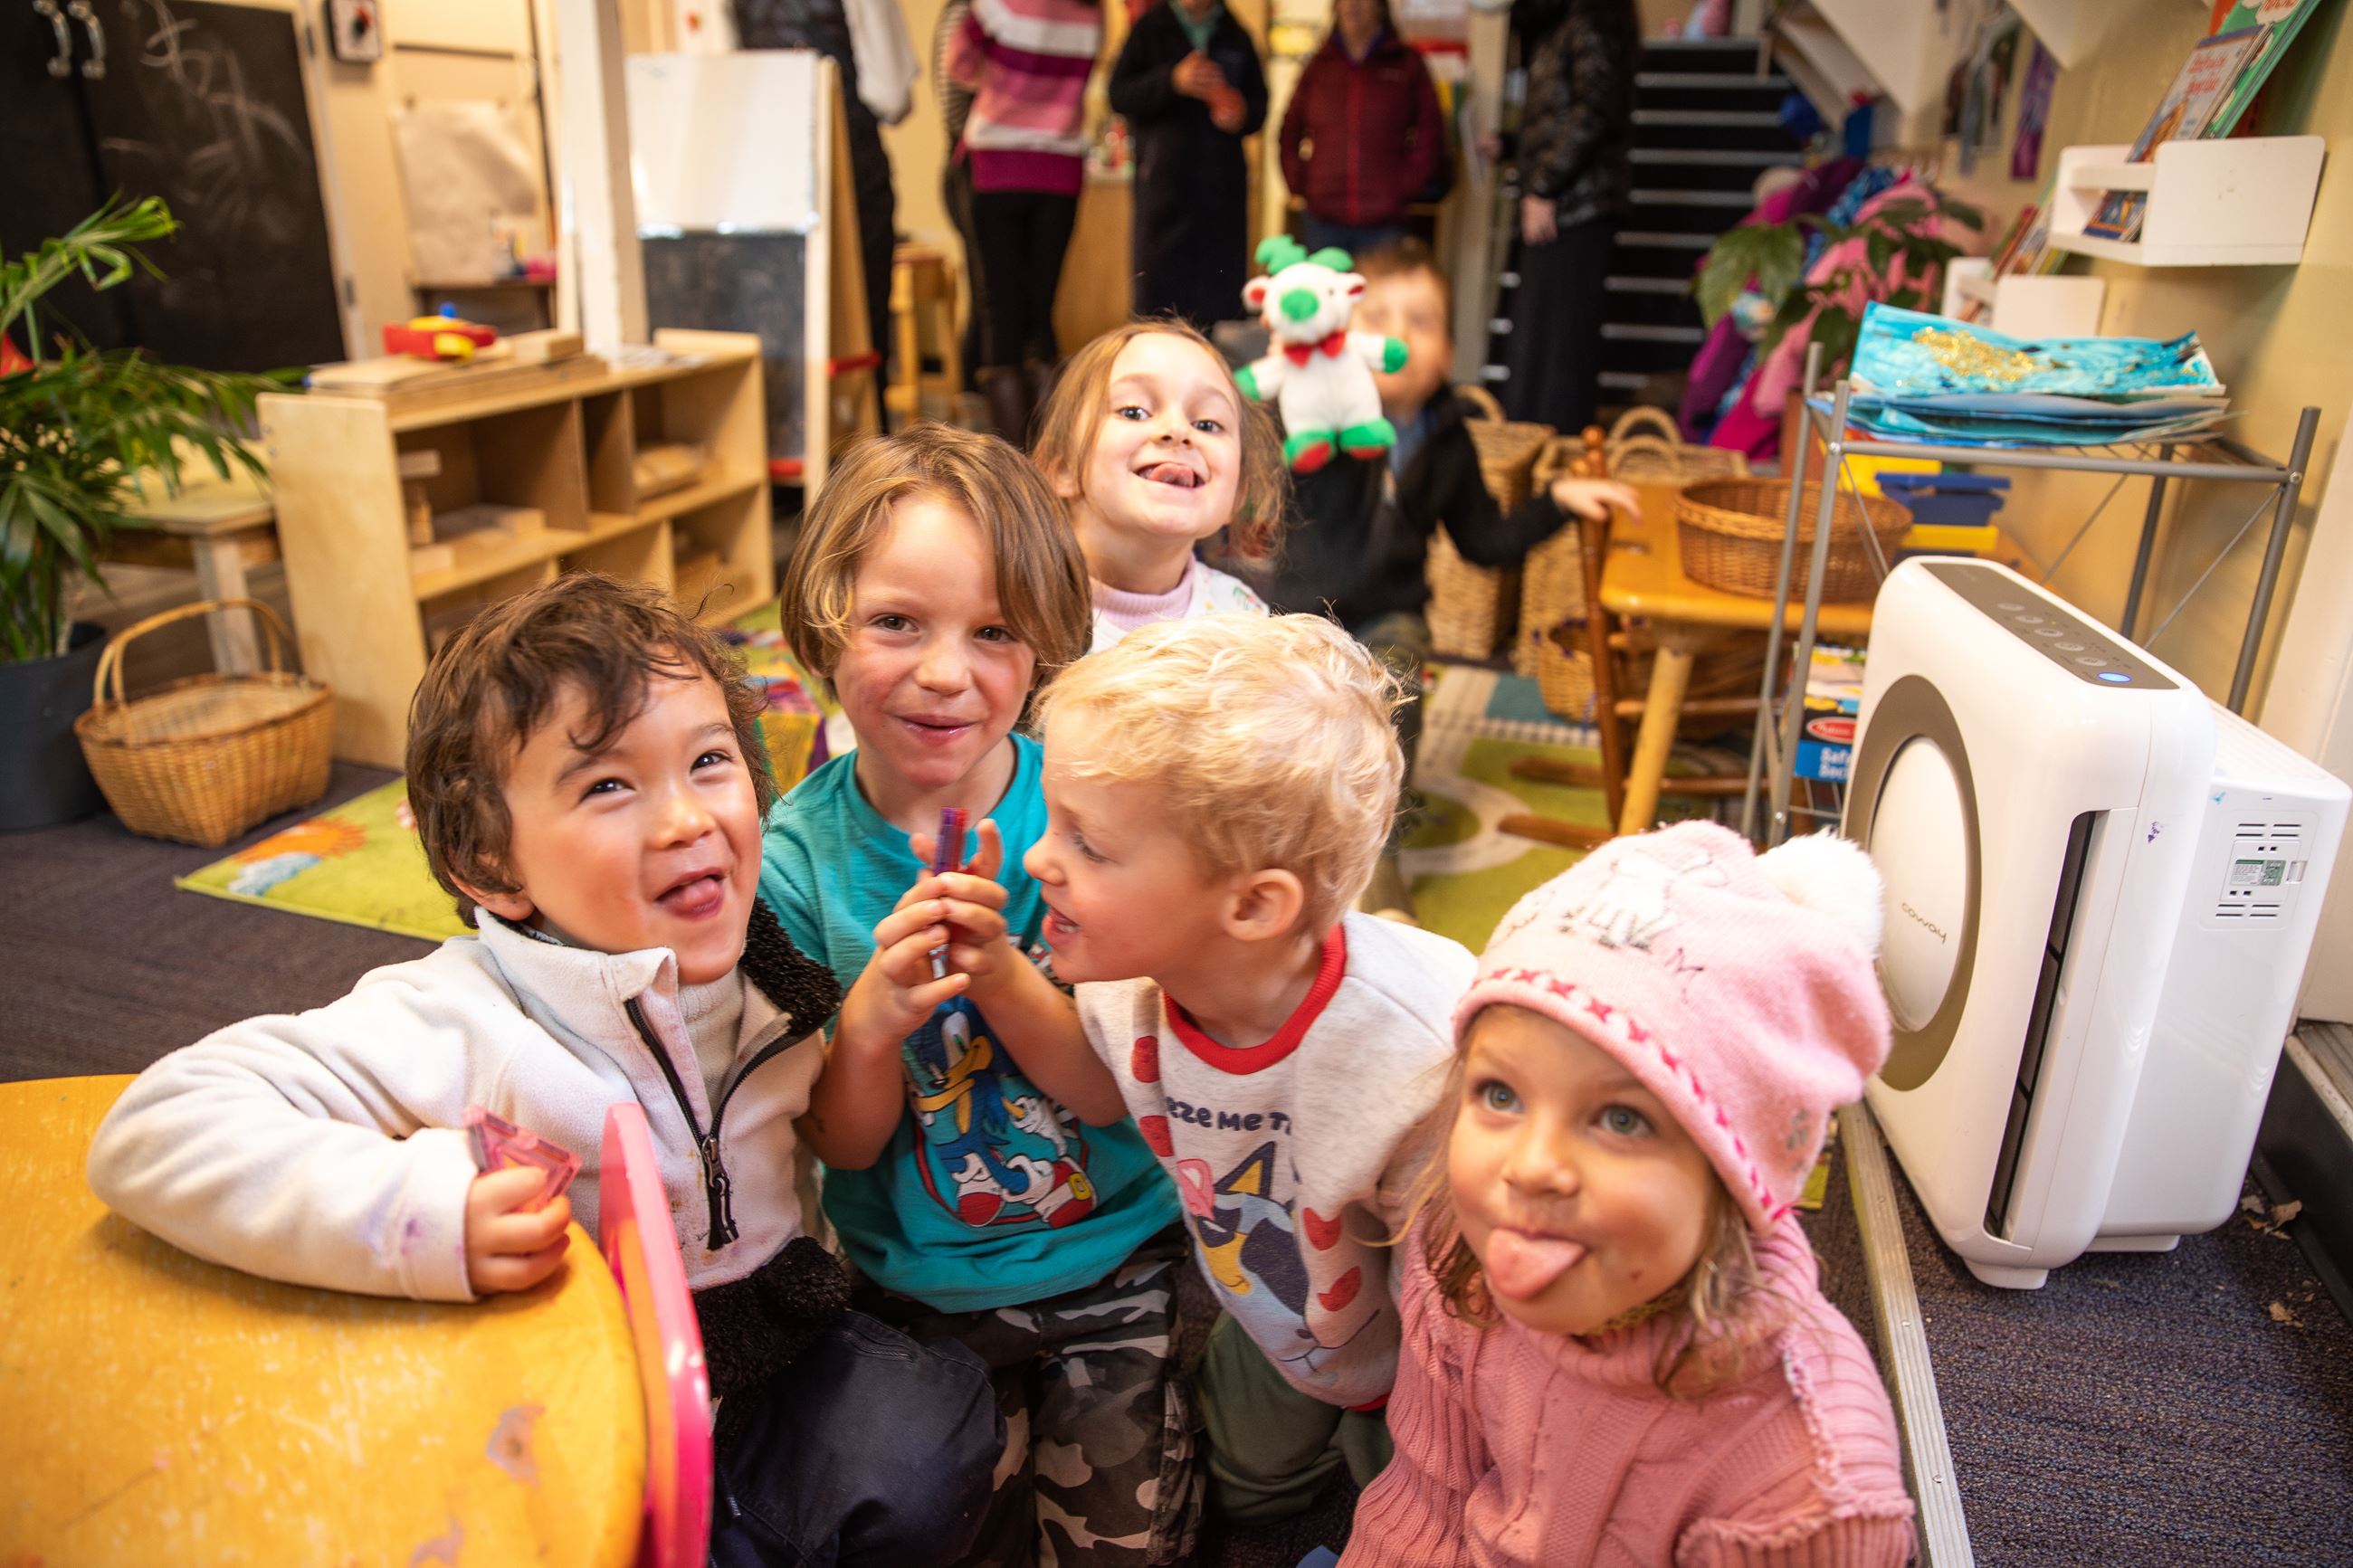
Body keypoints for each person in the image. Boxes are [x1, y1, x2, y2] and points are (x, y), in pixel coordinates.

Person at [83, 573, 1004, 1567]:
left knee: (938, 1426)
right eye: (608, 784)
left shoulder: (771, 972)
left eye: (708, 760)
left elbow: (827, 1134)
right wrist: (422, 1215)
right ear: (490, 861)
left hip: (775, 1339)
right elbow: (158, 1120)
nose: (687, 817)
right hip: (589, 1391)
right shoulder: (460, 1010)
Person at [757, 425, 1195, 1565]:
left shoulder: (1093, 813)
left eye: (993, 632)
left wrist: (1001, 973)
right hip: (915, 1286)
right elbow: (839, 1145)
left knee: (1123, 1544)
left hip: (1114, 1258)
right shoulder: (790, 863)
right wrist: (871, 1021)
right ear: (821, 623)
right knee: (929, 1530)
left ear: (1044, 645)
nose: (946, 672)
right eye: (897, 621)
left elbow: (1114, 1098)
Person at [997, 613, 1481, 1522]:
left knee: (1426, 1505)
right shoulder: (1122, 983)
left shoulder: (1413, 1053)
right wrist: (994, 975)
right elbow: (1107, 1091)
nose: (1036, 860)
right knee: (1249, 1491)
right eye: (1050, 823)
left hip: (1435, 1353)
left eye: (1086, 844)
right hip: (1274, 1322)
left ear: (1253, 905)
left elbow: (1465, 1288)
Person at [1342, 821, 1919, 1566]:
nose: (1531, 1166)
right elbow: (1424, 1500)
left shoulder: (1807, 1494)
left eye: (1622, 1118)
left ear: (1737, 1174)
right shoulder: (1461, 1253)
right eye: (1500, 1094)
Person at [1268, 239, 1639, 908]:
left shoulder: (1450, 440)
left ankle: (1376, 855)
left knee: (1395, 688)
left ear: (1447, 353)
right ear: (1341, 335)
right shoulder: (1310, 414)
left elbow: (1486, 543)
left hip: (1388, 611)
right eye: (1378, 318)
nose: (1400, 336)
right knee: (1277, 732)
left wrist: (1557, 499)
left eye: (1423, 322)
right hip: (1292, 611)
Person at [1030, 319, 1288, 650]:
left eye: (1208, 424)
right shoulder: (1019, 611)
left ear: (1238, 495)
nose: (1178, 430)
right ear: (1061, 466)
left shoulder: (1243, 624)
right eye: (1134, 411)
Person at [949, 0, 1107, 444]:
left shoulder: (996, 6)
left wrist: (1007, 83)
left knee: (999, 306)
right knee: (1042, 309)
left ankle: (1009, 452)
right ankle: (1047, 453)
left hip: (998, 159)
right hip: (1060, 167)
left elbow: (959, 66)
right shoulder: (1092, 11)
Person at [734, 0, 901, 395]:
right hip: (849, 163)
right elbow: (891, 95)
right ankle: (864, 451)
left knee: (781, 326)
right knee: (861, 331)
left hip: (766, 172)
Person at [1501, 0, 1637, 432]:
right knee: (1540, 345)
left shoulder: (1592, 20)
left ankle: (1553, 459)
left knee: (1558, 350)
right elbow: (1562, 112)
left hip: (1574, 209)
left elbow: (1595, 108)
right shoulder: (1563, 25)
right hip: (1566, 203)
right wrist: (1509, 146)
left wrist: (1544, 185)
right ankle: (1535, 453)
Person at [1109, 0, 1268, 331]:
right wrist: (1172, 81)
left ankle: (1214, 377)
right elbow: (1119, 94)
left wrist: (1242, 113)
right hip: (1162, 193)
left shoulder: (1235, 33)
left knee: (1220, 306)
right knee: (1157, 307)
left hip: (1221, 195)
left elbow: (1258, 106)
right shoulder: (1150, 27)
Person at [1277, 0, 1446, 257]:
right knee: (1326, 294)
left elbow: (1431, 132)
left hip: (1384, 220)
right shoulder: (1320, 66)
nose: (1352, 6)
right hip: (1324, 217)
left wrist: (1408, 185)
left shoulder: (1405, 63)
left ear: (1379, 7)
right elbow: (1289, 130)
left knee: (1380, 296)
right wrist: (1299, 182)